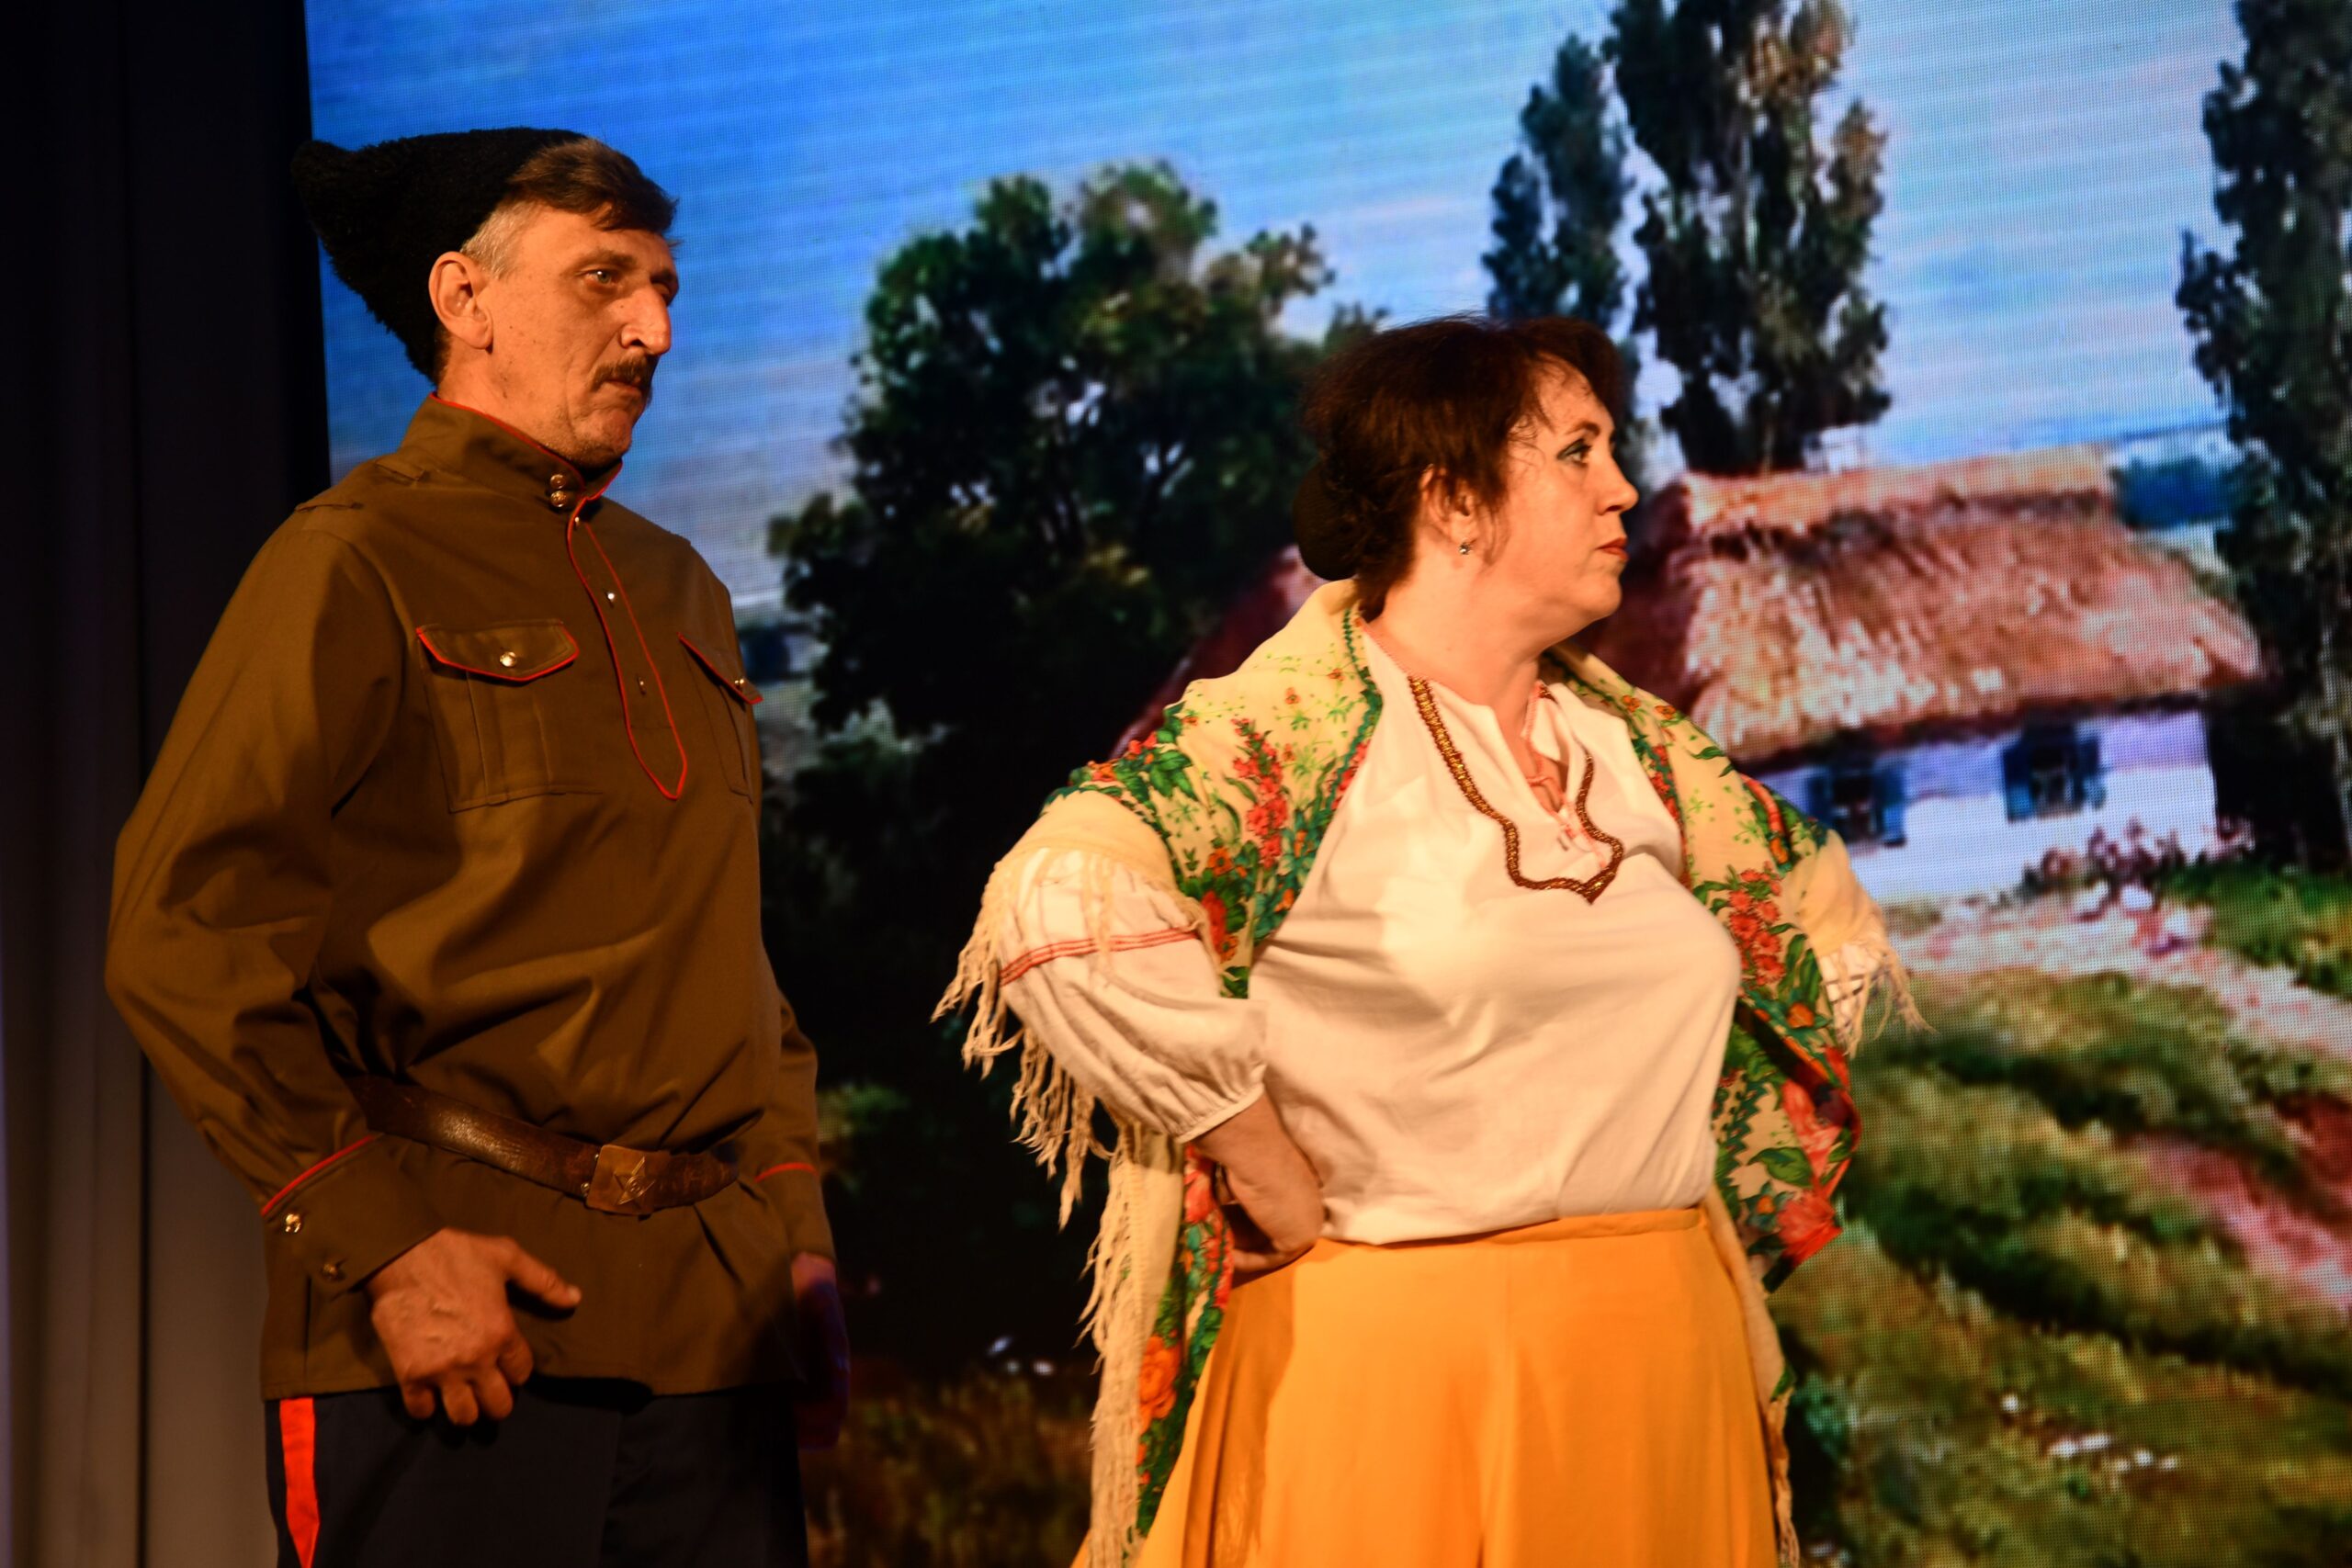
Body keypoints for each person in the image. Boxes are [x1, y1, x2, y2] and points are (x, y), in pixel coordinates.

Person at [942, 315, 1914, 1567]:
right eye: (1579, 452)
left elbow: (1816, 921)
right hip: (1398, 1378)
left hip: (1660, 1366)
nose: (1623, 489)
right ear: (1455, 503)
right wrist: (1252, 1150)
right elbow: (1061, 898)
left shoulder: (1642, 758)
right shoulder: (1286, 741)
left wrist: (1672, 1137)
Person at [106, 128, 842, 1567]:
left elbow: (729, 965)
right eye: (605, 279)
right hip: (459, 1329)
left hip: (713, 1342)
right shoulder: (350, 558)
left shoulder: (682, 589)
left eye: (666, 288)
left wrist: (794, 1236)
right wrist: (381, 1244)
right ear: (465, 297)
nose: (655, 328)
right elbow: (184, 933)